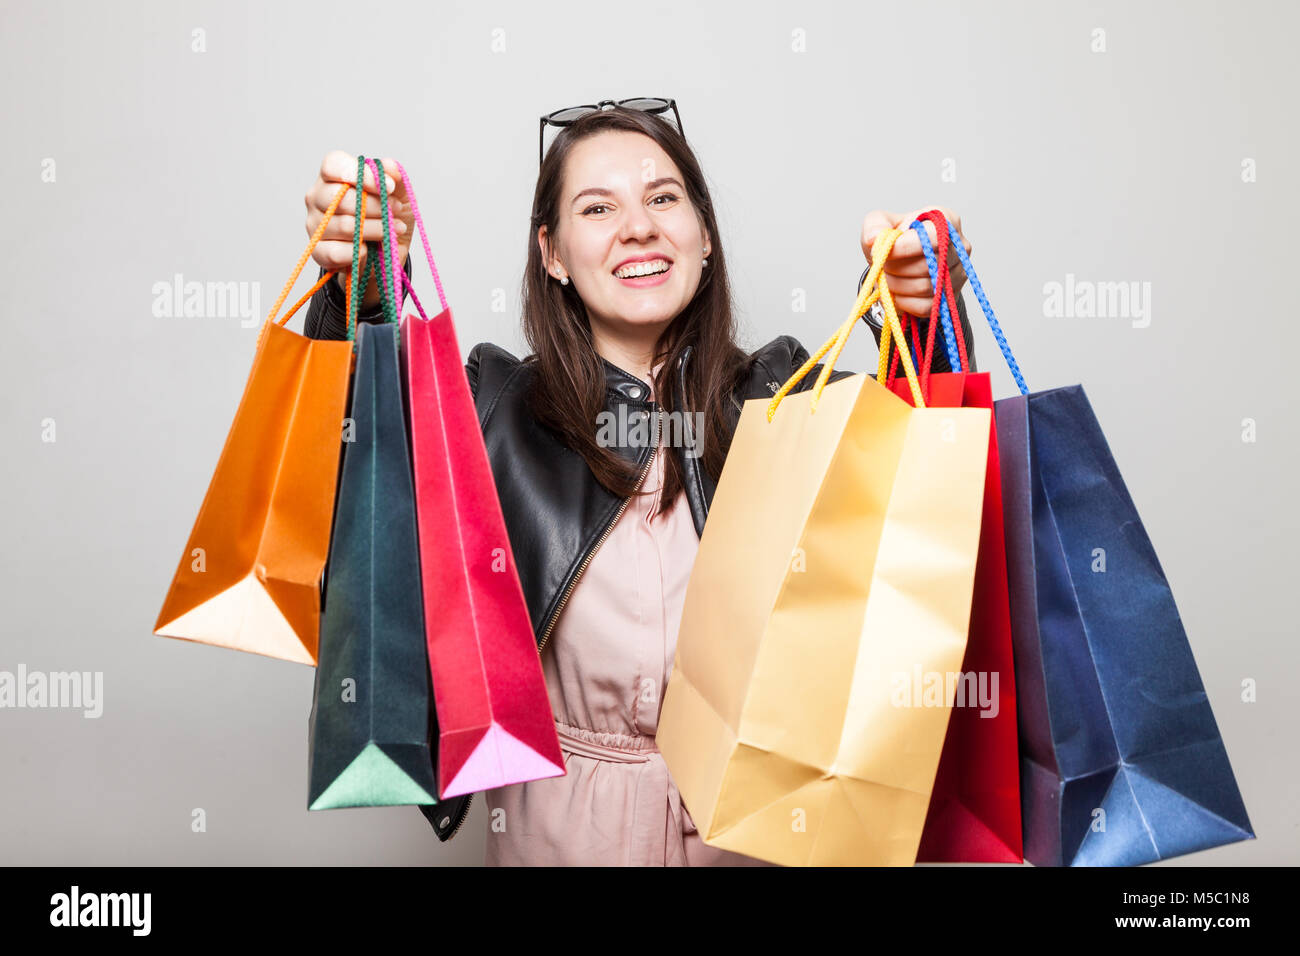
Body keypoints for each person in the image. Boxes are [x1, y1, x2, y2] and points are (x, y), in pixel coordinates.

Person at [299, 101, 977, 866]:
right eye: (598, 207)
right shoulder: (491, 406)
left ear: (705, 235)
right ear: (551, 253)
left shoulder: (787, 394)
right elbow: (354, 482)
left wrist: (920, 313)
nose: (639, 226)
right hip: (555, 831)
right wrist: (359, 287)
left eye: (663, 197)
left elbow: (926, 497)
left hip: (757, 830)